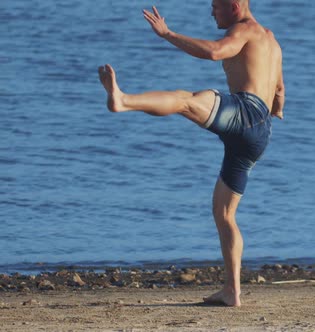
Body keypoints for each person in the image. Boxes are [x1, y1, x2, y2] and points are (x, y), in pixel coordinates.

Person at [98, 0, 284, 307]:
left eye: (215, 6)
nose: (211, 12)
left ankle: (124, 100)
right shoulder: (271, 40)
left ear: (235, 6)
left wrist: (167, 34)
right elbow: (279, 92)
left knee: (186, 101)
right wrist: (275, 112)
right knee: (225, 214)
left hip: (244, 113)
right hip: (261, 133)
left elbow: (213, 52)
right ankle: (232, 291)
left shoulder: (244, 31)